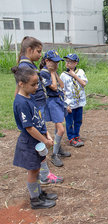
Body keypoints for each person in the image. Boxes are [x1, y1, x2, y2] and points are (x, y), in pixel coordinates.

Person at [16, 36, 64, 184]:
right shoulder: (26, 68)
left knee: (41, 141)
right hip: (35, 107)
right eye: (38, 51)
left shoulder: (28, 65)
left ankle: (44, 173)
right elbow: (20, 91)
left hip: (36, 107)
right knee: (40, 143)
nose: (40, 55)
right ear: (29, 50)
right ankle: (44, 175)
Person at [12, 66, 58, 209]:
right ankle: (35, 200)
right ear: (21, 83)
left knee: (37, 168)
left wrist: (46, 134)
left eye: (37, 83)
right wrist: (44, 140)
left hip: (38, 140)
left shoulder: (29, 97)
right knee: (33, 171)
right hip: (29, 143)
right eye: (33, 84)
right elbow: (29, 128)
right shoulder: (20, 102)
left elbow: (38, 119)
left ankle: (38, 192)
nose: (37, 87)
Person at [40, 50, 71, 167]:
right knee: (61, 129)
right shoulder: (43, 73)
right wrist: (52, 73)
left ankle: (58, 149)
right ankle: (54, 155)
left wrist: (55, 73)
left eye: (58, 62)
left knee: (58, 127)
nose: (56, 65)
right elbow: (53, 87)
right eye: (54, 62)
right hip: (52, 102)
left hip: (58, 100)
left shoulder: (52, 71)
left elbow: (61, 85)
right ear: (47, 61)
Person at [60, 53, 88, 147]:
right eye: (67, 61)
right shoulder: (63, 75)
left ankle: (76, 135)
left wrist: (74, 75)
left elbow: (83, 83)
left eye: (70, 62)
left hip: (79, 102)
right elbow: (62, 90)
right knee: (69, 122)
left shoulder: (80, 72)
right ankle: (71, 138)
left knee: (78, 120)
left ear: (76, 63)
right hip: (70, 103)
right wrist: (66, 104)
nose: (67, 63)